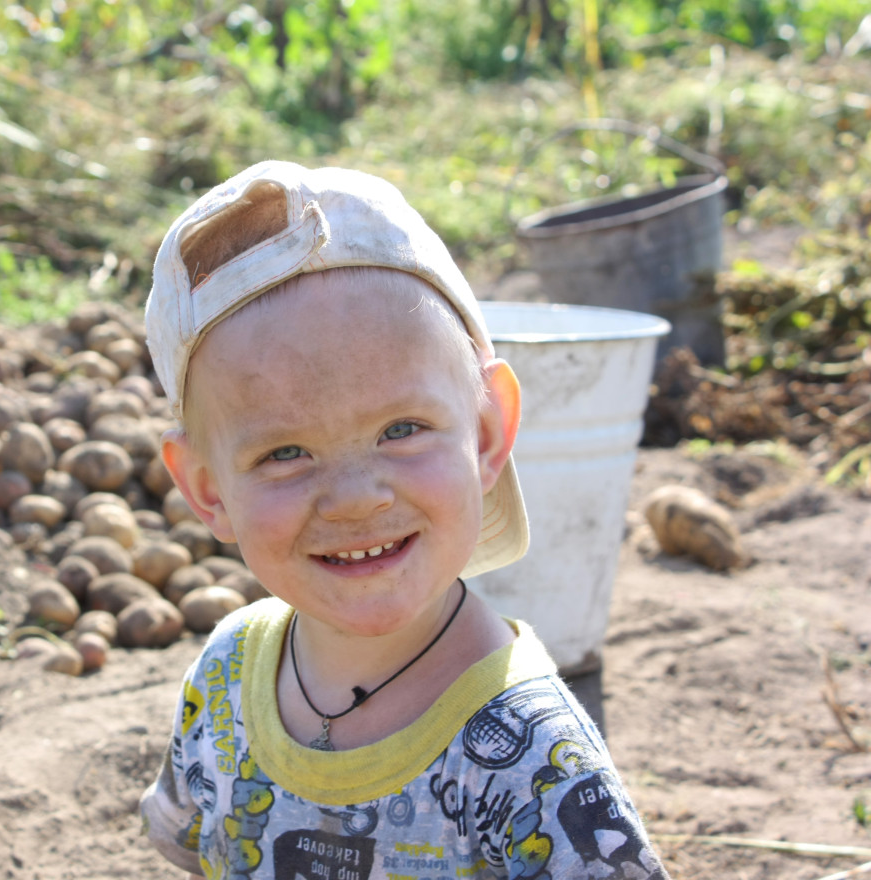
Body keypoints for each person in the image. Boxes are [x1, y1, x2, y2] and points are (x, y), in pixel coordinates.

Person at [138, 160, 667, 880]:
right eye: (285, 453)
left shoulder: (535, 761)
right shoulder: (224, 674)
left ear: (486, 434)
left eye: (402, 430)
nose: (356, 499)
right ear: (206, 489)